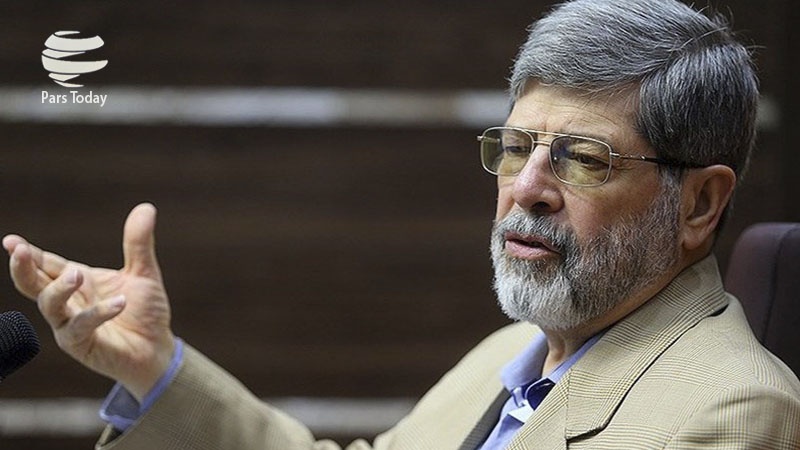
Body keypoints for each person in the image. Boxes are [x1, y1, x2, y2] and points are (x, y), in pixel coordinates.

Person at [5, 0, 800, 448]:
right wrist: (156, 368)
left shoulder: (731, 412)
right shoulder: (512, 355)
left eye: (583, 159)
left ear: (699, 204)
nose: (526, 188)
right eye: (516, 147)